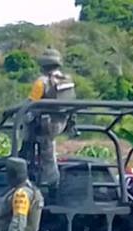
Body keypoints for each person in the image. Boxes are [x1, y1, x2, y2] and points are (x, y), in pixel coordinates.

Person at [27, 47, 76, 187]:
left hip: (47, 123)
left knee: (47, 153)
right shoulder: (66, 79)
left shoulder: (41, 82)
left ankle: (52, 182)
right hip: (63, 121)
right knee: (49, 149)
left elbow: (31, 103)